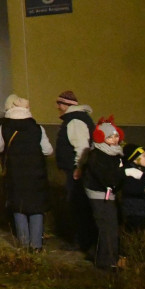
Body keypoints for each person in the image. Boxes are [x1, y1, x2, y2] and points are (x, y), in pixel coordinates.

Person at [0, 94, 53, 250]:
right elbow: (48, 150)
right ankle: (36, 245)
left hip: (15, 173)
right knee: (36, 207)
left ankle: (23, 245)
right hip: (36, 174)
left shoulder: (5, 127)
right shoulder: (37, 128)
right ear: (27, 109)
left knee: (18, 206)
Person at [54, 90, 96, 251]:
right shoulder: (76, 119)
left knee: (78, 205)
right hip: (76, 169)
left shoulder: (75, 121)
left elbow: (82, 147)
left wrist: (79, 167)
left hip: (76, 171)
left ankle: (83, 242)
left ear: (66, 105)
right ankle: (83, 241)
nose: (58, 107)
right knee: (79, 204)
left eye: (59, 103)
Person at [83, 116, 125, 269]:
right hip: (99, 194)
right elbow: (107, 178)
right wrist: (122, 174)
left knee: (111, 225)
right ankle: (106, 261)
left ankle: (102, 254)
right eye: (110, 137)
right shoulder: (98, 155)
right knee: (107, 226)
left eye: (116, 136)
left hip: (109, 193)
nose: (114, 139)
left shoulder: (116, 153)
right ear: (101, 137)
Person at [121, 143, 145, 231]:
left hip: (143, 210)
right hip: (134, 212)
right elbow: (127, 188)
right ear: (134, 159)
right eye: (144, 156)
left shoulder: (144, 171)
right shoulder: (129, 171)